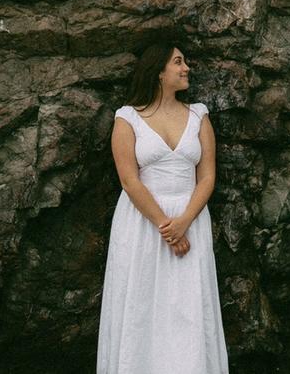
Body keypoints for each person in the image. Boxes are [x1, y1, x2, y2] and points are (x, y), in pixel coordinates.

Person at [97, 38, 229, 374]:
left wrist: (183, 221)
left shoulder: (199, 116)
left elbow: (207, 178)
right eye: (179, 62)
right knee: (142, 303)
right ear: (159, 72)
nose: (186, 69)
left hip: (191, 217)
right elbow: (129, 180)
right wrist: (166, 226)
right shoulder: (128, 118)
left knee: (188, 307)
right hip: (143, 222)